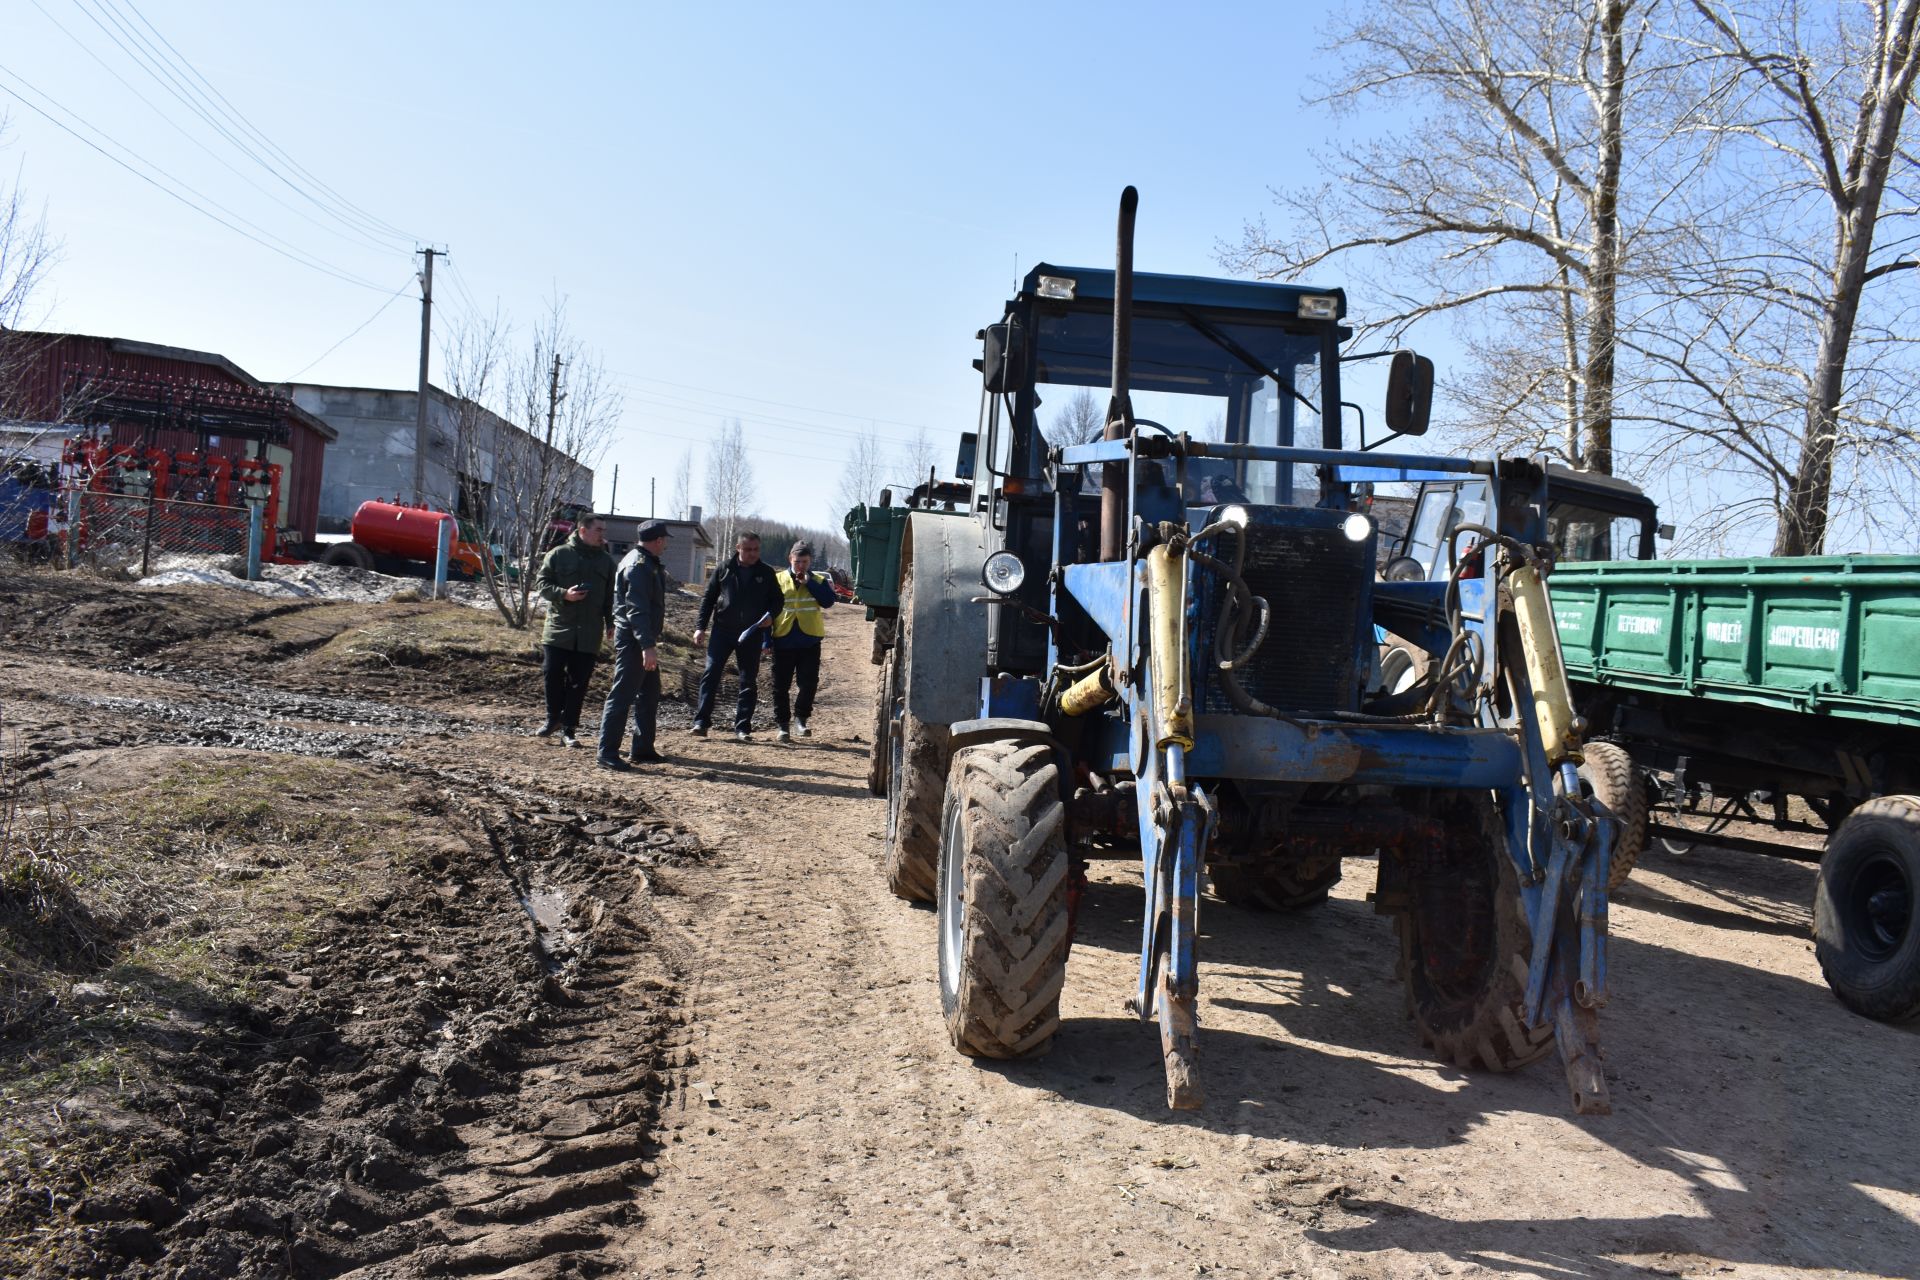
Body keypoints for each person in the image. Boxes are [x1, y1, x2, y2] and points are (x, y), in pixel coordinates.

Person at [532, 513, 614, 747]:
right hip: (559, 628)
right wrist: (564, 594)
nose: (602, 535)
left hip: (589, 633)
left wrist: (610, 622)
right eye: (599, 530)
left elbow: (609, 597)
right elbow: (542, 584)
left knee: (579, 682)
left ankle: (569, 729)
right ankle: (552, 719)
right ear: (582, 531)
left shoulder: (606, 562)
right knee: (552, 674)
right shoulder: (559, 555)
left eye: (603, 531)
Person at [692, 530, 783, 741]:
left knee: (748, 681)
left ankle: (742, 728)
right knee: (711, 673)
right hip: (722, 631)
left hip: (751, 634)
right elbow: (708, 599)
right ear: (738, 548)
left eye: (756, 549)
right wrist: (700, 627)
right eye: (748, 549)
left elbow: (777, 601)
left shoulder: (766, 573)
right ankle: (701, 722)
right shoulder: (724, 569)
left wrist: (772, 616)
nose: (753, 553)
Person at [598, 520, 671, 771]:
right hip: (634, 640)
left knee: (649, 694)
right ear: (659, 540)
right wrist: (647, 646)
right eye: (665, 540)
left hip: (640, 638)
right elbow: (636, 610)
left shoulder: (640, 560)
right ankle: (607, 752)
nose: (666, 545)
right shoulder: (639, 566)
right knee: (622, 695)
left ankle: (642, 748)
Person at [768, 539, 836, 742]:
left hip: (809, 640)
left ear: (810, 561)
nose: (801, 566)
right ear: (790, 559)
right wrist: (765, 640)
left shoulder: (817, 580)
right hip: (783, 639)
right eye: (798, 561)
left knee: (808, 683)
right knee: (780, 685)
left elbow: (828, 601)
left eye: (805, 562)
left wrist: (810, 583)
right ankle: (782, 725)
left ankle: (801, 719)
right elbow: (767, 610)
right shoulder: (777, 579)